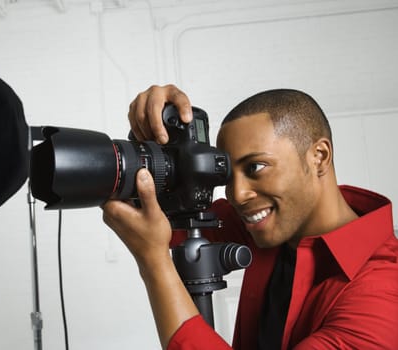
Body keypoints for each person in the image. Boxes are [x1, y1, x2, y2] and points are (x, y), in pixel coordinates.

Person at [102, 85, 398, 349]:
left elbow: (155, 240)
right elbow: (158, 221)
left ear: (318, 156)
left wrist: (154, 264)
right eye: (229, 174)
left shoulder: (383, 296)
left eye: (256, 167)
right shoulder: (272, 221)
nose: (237, 195)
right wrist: (152, 154)